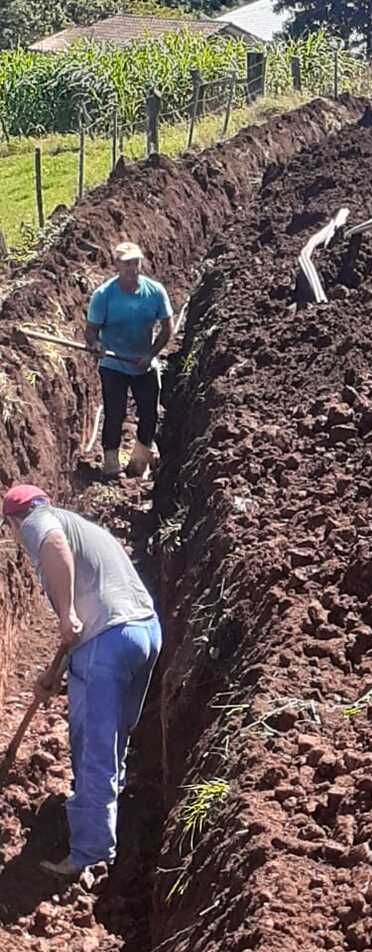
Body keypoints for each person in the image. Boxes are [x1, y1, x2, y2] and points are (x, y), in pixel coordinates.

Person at [2, 484, 162, 879]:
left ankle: (90, 851)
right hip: (144, 633)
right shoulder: (82, 526)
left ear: (11, 522)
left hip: (105, 645)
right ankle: (109, 803)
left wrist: (67, 612)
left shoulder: (39, 522)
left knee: (92, 747)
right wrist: (53, 677)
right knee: (112, 738)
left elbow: (53, 545)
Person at [86, 242, 174, 480]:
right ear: (117, 265)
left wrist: (150, 355)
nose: (132, 268)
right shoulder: (103, 296)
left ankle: (139, 462)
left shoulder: (154, 292)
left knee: (149, 414)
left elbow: (167, 329)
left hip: (144, 363)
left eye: (135, 262)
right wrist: (96, 345)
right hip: (113, 364)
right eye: (126, 263)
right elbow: (91, 331)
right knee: (115, 413)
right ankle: (111, 464)